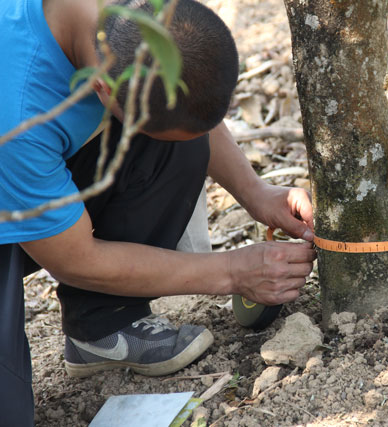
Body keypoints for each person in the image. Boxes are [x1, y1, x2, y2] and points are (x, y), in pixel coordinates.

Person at [0, 0, 315, 425]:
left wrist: (256, 193)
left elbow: (185, 103)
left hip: (26, 171)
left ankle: (102, 325)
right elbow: (76, 259)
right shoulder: (16, 112)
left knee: (177, 138)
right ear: (103, 89)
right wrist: (232, 273)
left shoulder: (141, 20)